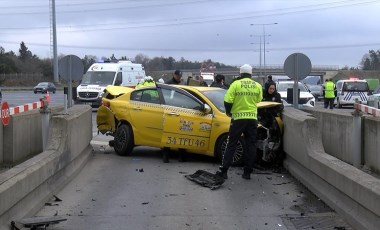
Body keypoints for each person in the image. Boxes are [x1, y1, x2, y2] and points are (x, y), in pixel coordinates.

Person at [216, 64, 263, 180]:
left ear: (240, 74)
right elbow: (259, 99)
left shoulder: (236, 84)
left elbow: (227, 100)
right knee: (251, 145)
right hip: (252, 119)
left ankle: (224, 171)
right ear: (251, 74)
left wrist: (228, 112)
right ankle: (247, 172)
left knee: (231, 144)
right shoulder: (257, 85)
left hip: (238, 119)